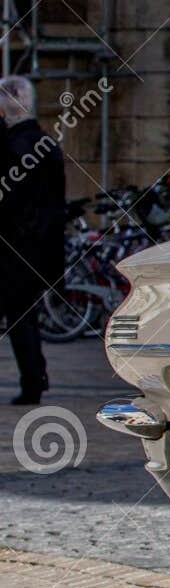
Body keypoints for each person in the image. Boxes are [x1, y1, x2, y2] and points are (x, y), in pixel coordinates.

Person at [0, 76, 65, 404]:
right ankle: (34, 380)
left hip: (11, 247)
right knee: (24, 317)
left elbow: (8, 200)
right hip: (39, 249)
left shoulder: (12, 147)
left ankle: (34, 380)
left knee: (21, 317)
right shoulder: (47, 144)